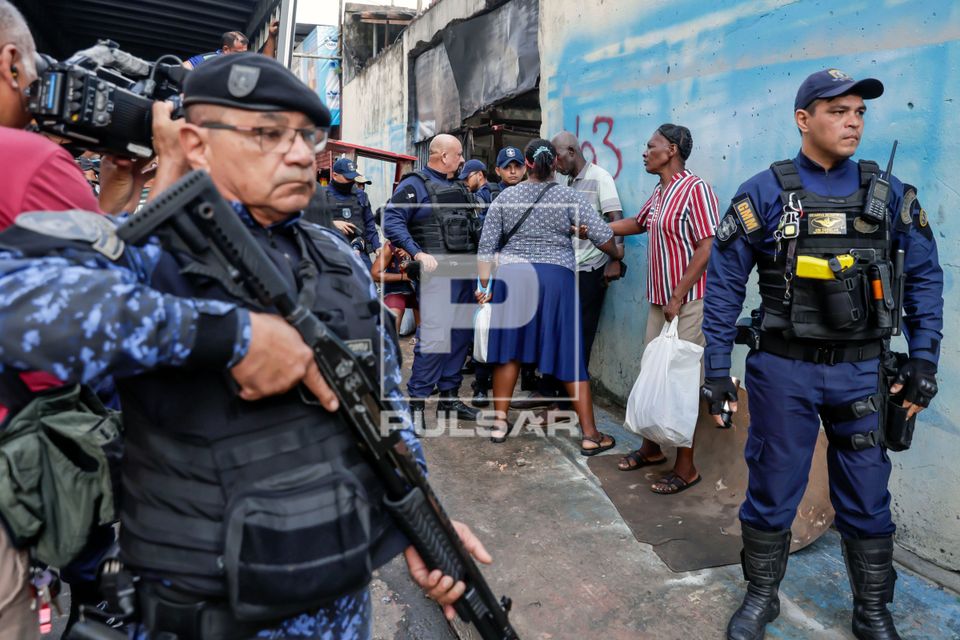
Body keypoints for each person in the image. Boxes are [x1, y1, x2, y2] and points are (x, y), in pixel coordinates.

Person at [0, 52, 489, 638]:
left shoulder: (337, 260)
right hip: (204, 614)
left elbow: (383, 408)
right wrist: (233, 336)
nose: (302, 153)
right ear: (194, 143)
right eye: (266, 133)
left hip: (338, 604)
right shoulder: (149, 251)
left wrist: (423, 519)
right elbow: (23, 312)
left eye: (307, 135)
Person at [702, 69, 943, 640]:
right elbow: (724, 286)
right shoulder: (762, 193)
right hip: (783, 370)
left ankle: (872, 611)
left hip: (864, 372)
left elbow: (927, 278)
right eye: (837, 110)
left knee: (865, 489)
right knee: (772, 485)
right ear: (803, 118)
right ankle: (761, 598)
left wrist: (924, 359)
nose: (853, 121)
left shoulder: (889, 195)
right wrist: (715, 371)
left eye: (859, 111)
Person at [0, 4, 184, 634]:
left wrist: (112, 203)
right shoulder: (24, 160)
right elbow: (115, 303)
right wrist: (172, 178)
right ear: (10, 62)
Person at [476, 139, 623, 454]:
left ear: (527, 164)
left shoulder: (506, 196)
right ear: (555, 163)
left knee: (508, 352)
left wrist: (484, 285)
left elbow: (487, 246)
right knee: (568, 353)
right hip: (556, 280)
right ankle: (589, 435)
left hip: (513, 279)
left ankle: (500, 425)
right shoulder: (570, 196)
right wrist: (617, 254)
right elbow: (602, 235)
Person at [607, 124, 720, 495]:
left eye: (650, 145)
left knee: (681, 382)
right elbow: (639, 223)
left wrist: (678, 295)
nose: (644, 152)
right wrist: (594, 229)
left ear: (671, 150)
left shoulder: (695, 190)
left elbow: (706, 247)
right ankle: (652, 449)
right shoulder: (660, 192)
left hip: (687, 302)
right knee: (652, 372)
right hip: (661, 300)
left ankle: (686, 467)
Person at [382, 134, 482, 430]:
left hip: (464, 273)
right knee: (435, 339)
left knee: (460, 336)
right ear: (442, 156)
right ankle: (416, 404)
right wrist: (417, 252)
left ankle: (449, 399)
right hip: (437, 277)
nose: (463, 159)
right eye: (459, 154)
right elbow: (392, 221)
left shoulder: (460, 188)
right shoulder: (415, 185)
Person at [303, 157, 380, 267]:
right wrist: (332, 223)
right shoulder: (320, 195)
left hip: (359, 251)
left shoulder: (361, 195)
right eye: (347, 178)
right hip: (331, 252)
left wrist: (377, 246)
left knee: (368, 282)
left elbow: (369, 224)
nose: (351, 181)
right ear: (335, 175)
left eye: (353, 177)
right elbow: (307, 223)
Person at [372, 240, 419, 335]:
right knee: (390, 331)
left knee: (425, 336)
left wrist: (413, 255)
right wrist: (404, 277)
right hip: (396, 290)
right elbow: (375, 274)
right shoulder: (391, 245)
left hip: (420, 292)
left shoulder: (424, 238)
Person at [183, 29, 253, 69]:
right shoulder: (208, 59)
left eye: (244, 53)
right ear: (226, 49)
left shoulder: (246, 66)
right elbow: (183, 68)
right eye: (238, 53)